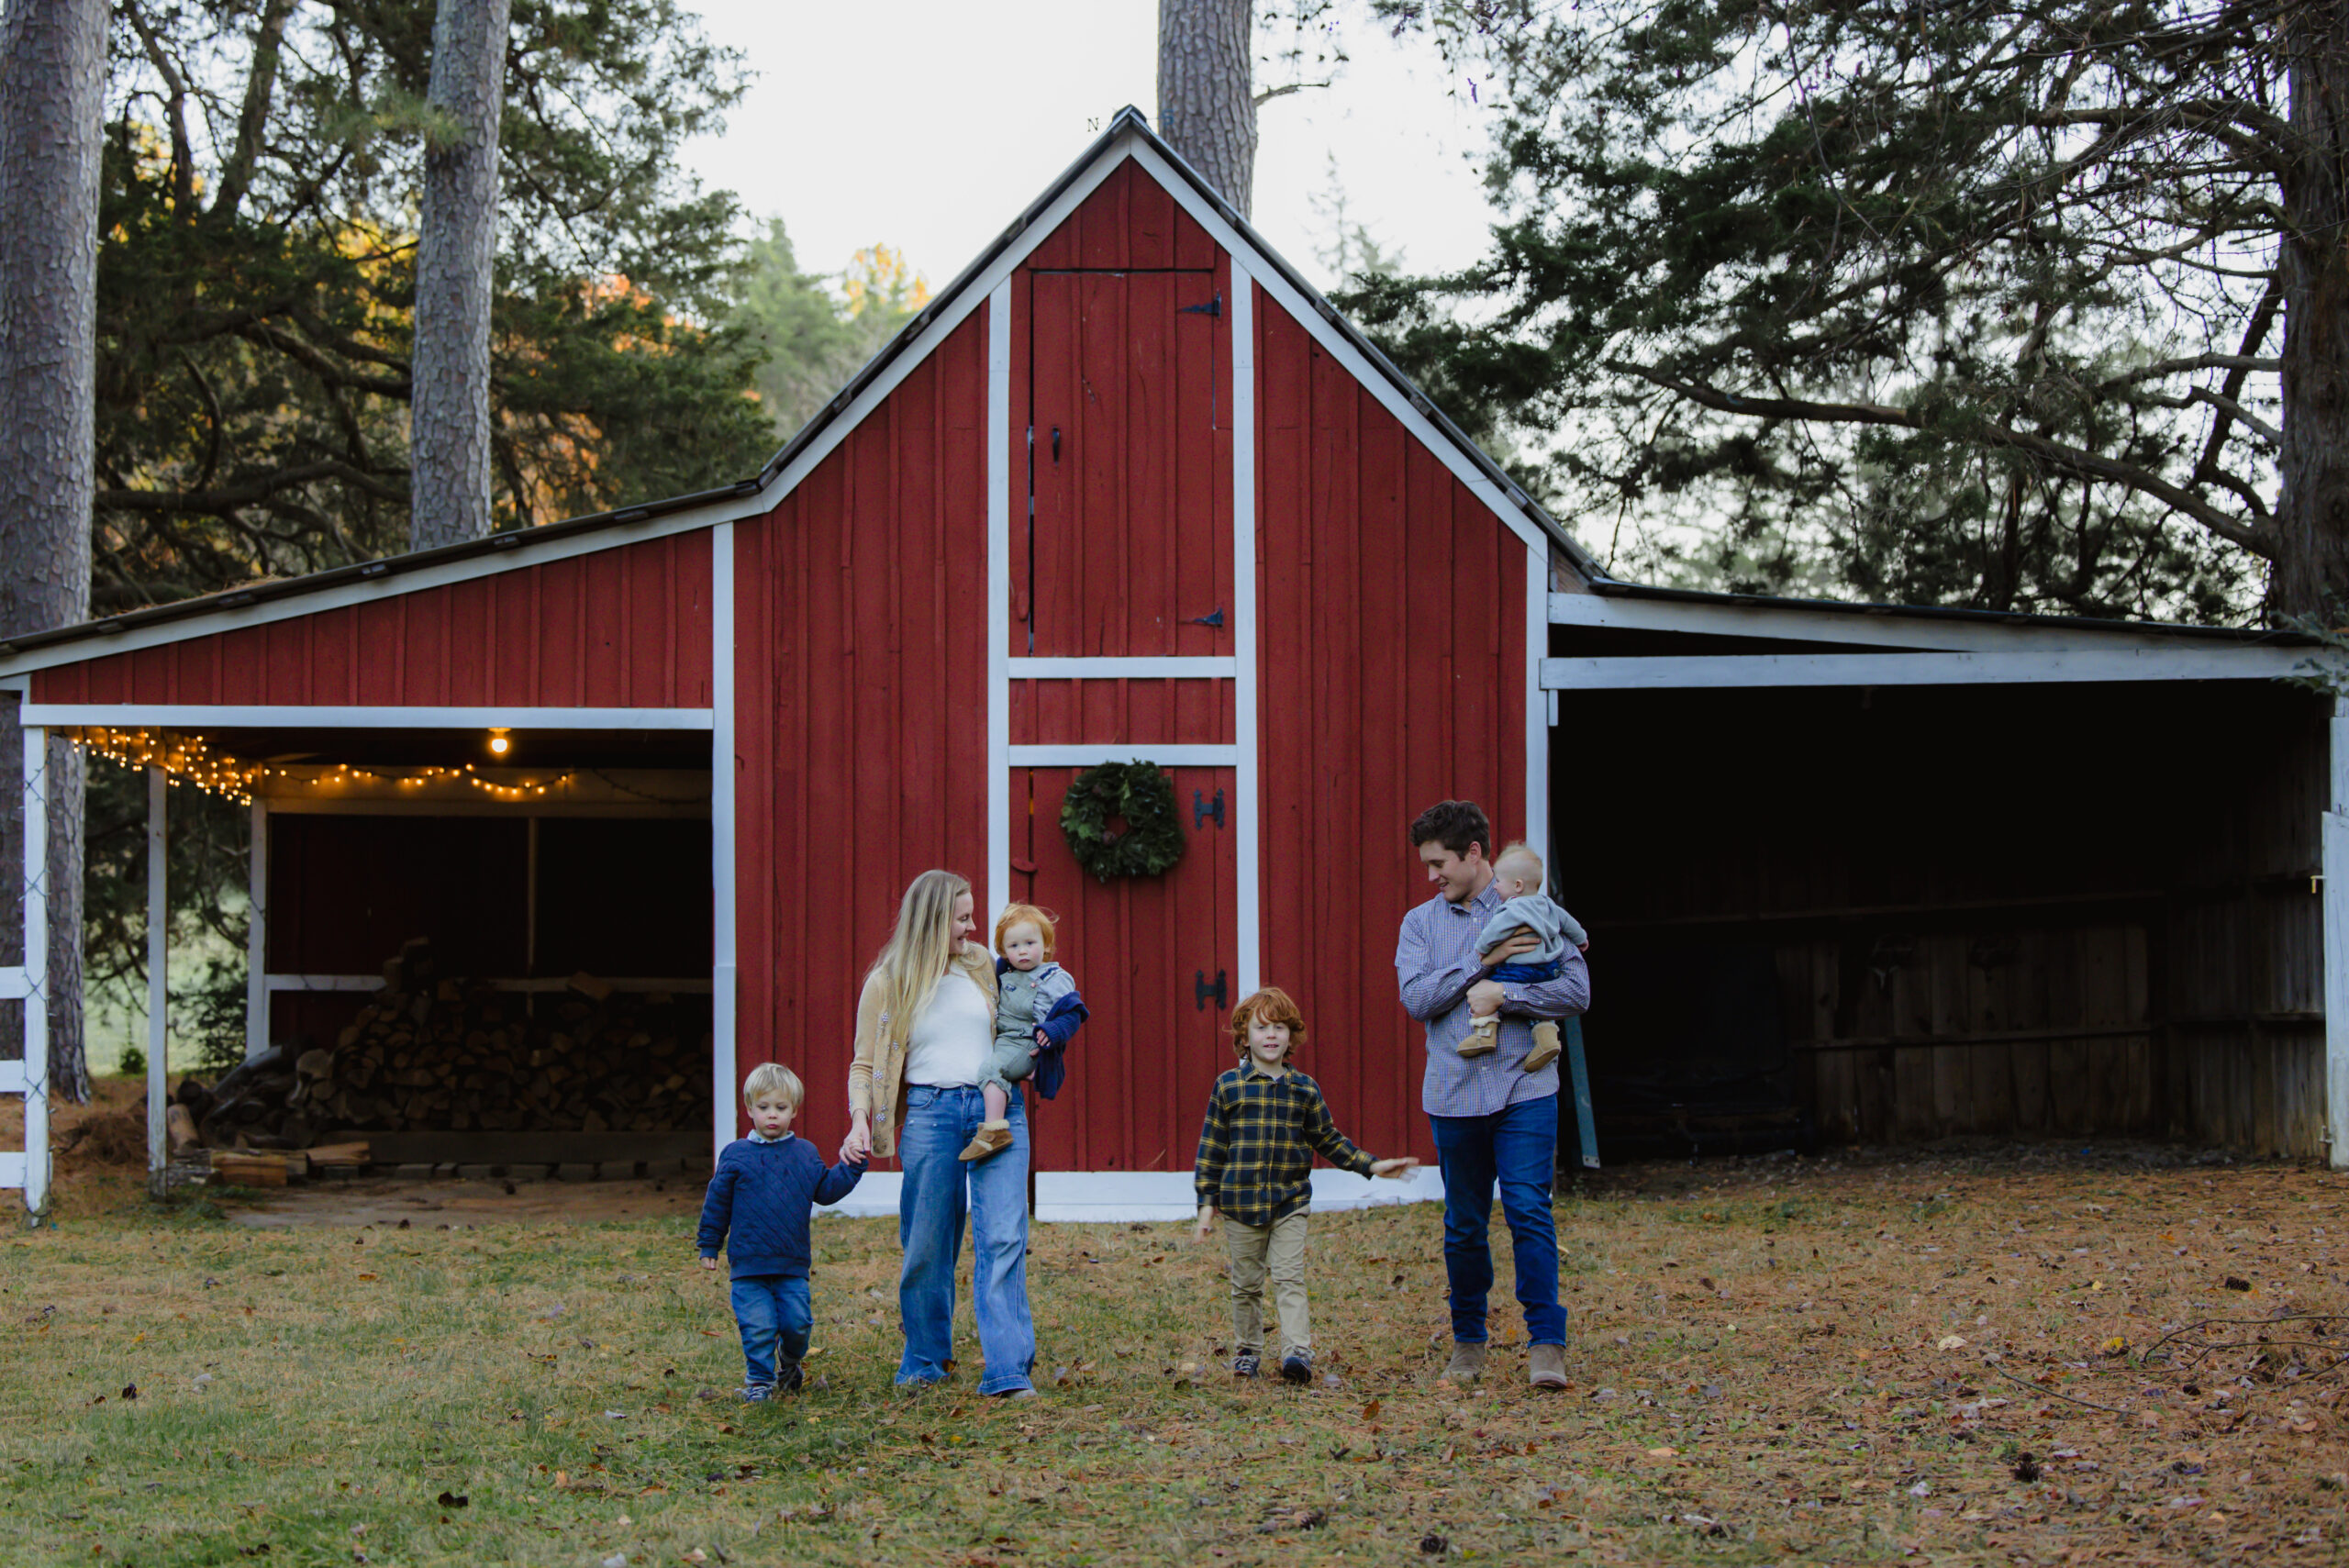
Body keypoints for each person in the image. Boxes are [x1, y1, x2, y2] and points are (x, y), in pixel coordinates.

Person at [1395, 799, 1590, 1390]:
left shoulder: (1533, 908)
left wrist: (1509, 997)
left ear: (1473, 854)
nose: (1432, 877)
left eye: (1439, 863)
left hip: (1524, 1086)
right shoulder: (1419, 925)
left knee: (1529, 1210)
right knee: (1464, 1224)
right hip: (1452, 1096)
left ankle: (1546, 1345)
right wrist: (1486, 962)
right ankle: (1469, 1341)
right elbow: (1418, 1000)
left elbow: (1577, 991)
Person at [843, 870, 1038, 1396]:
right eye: (963, 917)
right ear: (933, 920)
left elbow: (1019, 1018)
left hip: (996, 1110)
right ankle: (925, 1360)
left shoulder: (980, 965)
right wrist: (860, 1118)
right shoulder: (888, 982)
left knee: (1002, 1236)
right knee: (927, 1243)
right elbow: (865, 1063)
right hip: (930, 1114)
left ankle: (1007, 1369)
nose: (974, 927)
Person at [1191, 985, 1418, 1385]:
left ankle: (1297, 1353)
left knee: (1289, 1277)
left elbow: (1328, 1139)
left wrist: (1373, 1165)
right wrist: (1207, 1203)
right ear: (1244, 1038)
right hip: (1241, 1205)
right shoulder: (1228, 1087)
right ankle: (1247, 1350)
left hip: (1289, 1201)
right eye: (1262, 1028)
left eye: (1279, 1027)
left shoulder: (1304, 1089)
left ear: (1291, 1035)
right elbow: (1212, 1148)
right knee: (1246, 1284)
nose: (1271, 1035)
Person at [696, 1062, 867, 1400]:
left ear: (793, 1111)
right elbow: (717, 1204)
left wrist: (853, 1165)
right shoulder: (735, 1156)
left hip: (792, 1263)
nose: (771, 1115)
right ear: (749, 1109)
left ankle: (790, 1362)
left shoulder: (804, 1154)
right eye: (763, 1108)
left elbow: (826, 1189)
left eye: (780, 1108)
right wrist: (709, 1245)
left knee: (797, 1323)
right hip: (749, 1264)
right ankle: (759, 1381)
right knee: (757, 1327)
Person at [961, 903, 1088, 1162]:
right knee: (995, 1066)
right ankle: (1026, 1071)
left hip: (1025, 1041)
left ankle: (993, 1130)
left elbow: (1074, 1013)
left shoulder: (1053, 977)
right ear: (1004, 952)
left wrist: (1052, 1031)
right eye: (1014, 946)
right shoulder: (1005, 972)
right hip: (1007, 1041)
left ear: (1047, 945)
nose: (1023, 952)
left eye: (1030, 943)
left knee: (989, 1071)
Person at [1462, 840, 1588, 1071]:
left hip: (1517, 969)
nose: (1496, 887)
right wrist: (1581, 940)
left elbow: (1493, 932)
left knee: (1486, 990)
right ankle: (1547, 1036)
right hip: (1548, 969)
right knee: (1539, 1011)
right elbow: (1570, 924)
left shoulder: (1512, 909)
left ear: (1517, 886)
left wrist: (1481, 949)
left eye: (1499, 882)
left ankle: (1485, 1034)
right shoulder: (1548, 905)